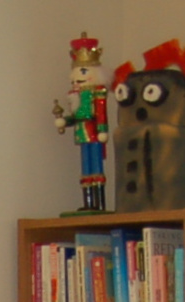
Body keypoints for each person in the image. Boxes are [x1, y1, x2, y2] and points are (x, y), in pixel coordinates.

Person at [51, 35, 109, 213]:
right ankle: (88, 203)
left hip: (94, 133)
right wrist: (64, 120)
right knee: (86, 168)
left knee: (96, 167)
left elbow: (100, 113)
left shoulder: (97, 93)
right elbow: (75, 116)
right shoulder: (75, 96)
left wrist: (102, 129)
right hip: (82, 134)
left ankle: (99, 203)